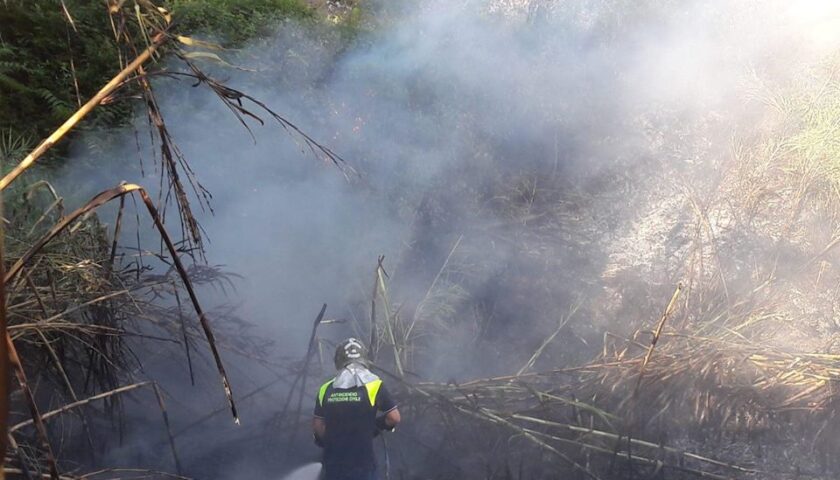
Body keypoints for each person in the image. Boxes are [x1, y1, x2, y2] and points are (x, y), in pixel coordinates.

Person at [313, 338, 401, 480]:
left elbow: (318, 426)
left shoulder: (326, 388)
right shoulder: (375, 385)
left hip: (333, 464)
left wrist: (328, 441)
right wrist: (376, 426)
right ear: (364, 360)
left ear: (339, 361)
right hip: (363, 464)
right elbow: (394, 418)